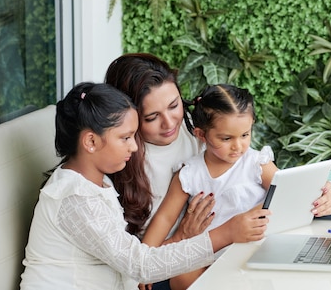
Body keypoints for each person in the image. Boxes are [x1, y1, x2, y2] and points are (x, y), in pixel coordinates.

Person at [104, 54, 331, 289]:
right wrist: (153, 262)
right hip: (187, 252)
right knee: (183, 278)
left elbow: (286, 188)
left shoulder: (240, 152)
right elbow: (162, 221)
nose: (170, 123)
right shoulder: (141, 163)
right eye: (152, 117)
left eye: (175, 105)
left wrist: (320, 195)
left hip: (248, 243)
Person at [20, 82, 218, 290]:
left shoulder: (97, 182)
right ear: (91, 142)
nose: (133, 146)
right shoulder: (75, 198)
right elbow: (141, 266)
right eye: (125, 138)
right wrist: (225, 235)